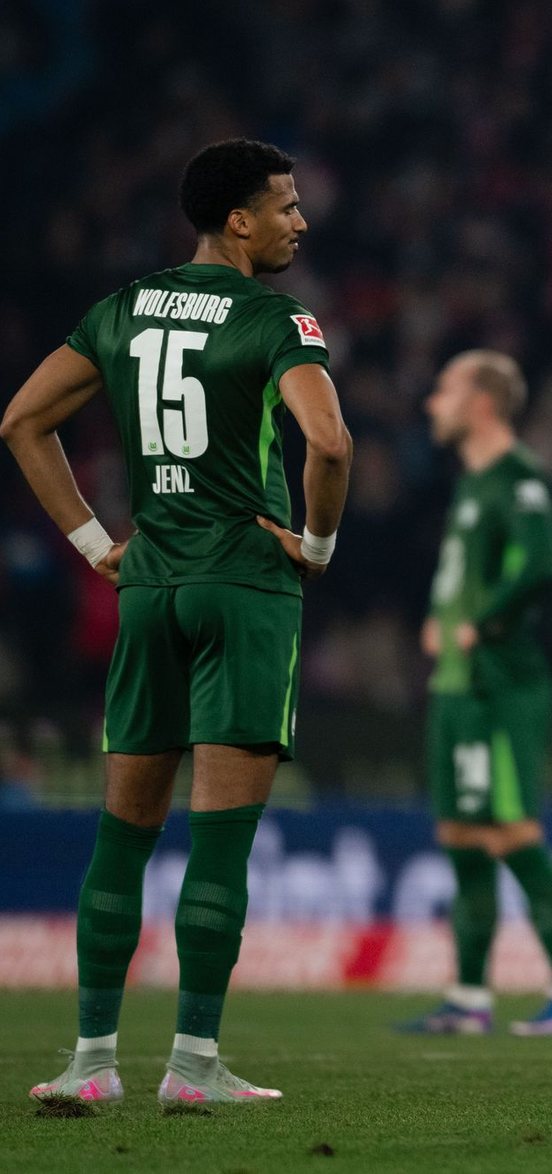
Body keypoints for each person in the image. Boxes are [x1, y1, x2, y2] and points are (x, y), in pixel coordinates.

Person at [3, 138, 352, 1104]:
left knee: (122, 835)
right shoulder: (276, 317)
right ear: (238, 220)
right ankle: (193, 1065)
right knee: (222, 839)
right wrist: (316, 548)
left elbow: (21, 421)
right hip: (242, 585)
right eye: (285, 205)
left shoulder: (124, 307)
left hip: (148, 585)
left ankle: (90, 1062)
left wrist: (88, 542)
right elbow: (328, 441)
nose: (299, 219)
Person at [394, 350, 552, 1037]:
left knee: (511, 829)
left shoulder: (518, 479)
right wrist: (441, 619)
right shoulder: (474, 483)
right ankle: (469, 997)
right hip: (456, 685)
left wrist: (484, 623)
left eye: (444, 389)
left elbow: (543, 562)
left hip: (500, 685)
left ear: (481, 401)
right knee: (460, 834)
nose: (432, 403)